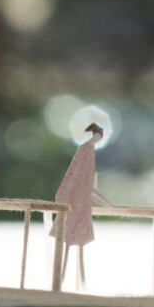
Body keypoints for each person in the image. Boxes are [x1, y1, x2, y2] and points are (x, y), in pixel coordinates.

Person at [50, 122, 111, 287]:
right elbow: (79, 177)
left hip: (82, 198)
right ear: (97, 136)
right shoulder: (86, 150)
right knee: (71, 235)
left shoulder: (87, 149)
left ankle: (79, 282)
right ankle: (63, 280)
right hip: (77, 198)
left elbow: (87, 181)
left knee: (78, 237)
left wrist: (103, 200)